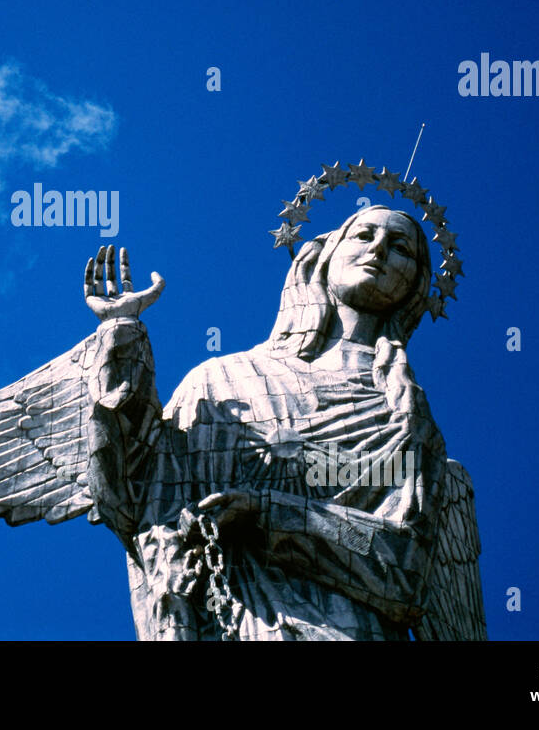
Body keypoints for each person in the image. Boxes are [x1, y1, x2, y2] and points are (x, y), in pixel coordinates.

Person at [83, 206, 450, 639]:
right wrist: (121, 337)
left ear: (415, 283)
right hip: (234, 618)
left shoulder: (405, 417)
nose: (379, 249)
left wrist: (269, 514)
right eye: (364, 234)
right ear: (324, 255)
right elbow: (138, 499)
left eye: (400, 247)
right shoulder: (220, 379)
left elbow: (404, 570)